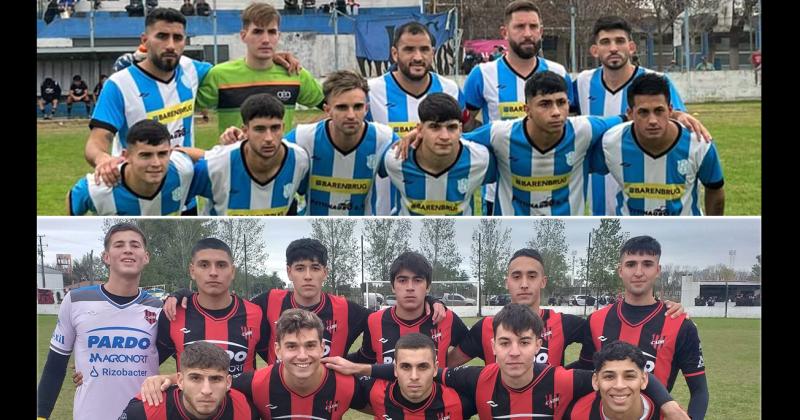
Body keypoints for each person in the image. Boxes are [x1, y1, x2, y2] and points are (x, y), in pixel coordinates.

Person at [325, 304, 689, 420]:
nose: (514, 351)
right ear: (493, 347)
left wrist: (669, 405)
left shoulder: (564, 379)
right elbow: (419, 370)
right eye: (505, 343)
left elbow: (620, 371)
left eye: (524, 342)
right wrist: (362, 368)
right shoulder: (475, 379)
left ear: (538, 346)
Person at [161, 238, 448, 363]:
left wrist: (432, 299)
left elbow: (396, 315)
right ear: (289, 272)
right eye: (300, 269)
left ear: (325, 272)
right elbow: (223, 302)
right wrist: (183, 294)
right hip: (273, 399)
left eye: (314, 268)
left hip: (328, 399)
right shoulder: (266, 302)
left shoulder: (348, 310)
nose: (307, 276)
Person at [574, 16, 710, 216]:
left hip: (646, 186)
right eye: (605, 42)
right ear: (595, 51)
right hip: (600, 191)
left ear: (631, 47)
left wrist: (680, 115)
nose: (613, 48)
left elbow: (674, 120)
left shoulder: (656, 81)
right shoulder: (582, 83)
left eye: (619, 41)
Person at [142, 309, 371, 419]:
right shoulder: (255, 383)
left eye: (310, 346)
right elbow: (212, 380)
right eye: (291, 346)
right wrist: (169, 379)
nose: (302, 355)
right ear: (277, 349)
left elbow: (393, 404)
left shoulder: (346, 384)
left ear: (323, 347)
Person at [572, 236, 708, 419]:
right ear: (620, 270)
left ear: (658, 270)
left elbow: (699, 391)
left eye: (647, 264)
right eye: (630, 264)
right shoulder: (597, 319)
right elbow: (585, 374)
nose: (638, 272)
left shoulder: (680, 324)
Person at [37, 223, 163, 420]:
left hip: (144, 415)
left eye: (135, 245)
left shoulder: (159, 308)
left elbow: (180, 358)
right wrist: (41, 415)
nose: (128, 249)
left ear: (146, 257)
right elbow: (55, 365)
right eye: (119, 244)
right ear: (106, 257)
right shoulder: (76, 300)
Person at [463, 1, 575, 214]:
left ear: (541, 31)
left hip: (552, 186)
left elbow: (570, 125)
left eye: (533, 27)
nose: (528, 33)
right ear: (505, 32)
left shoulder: (558, 72)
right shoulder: (482, 74)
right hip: (499, 189)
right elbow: (465, 123)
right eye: (520, 27)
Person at [86, 8, 212, 195]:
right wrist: (102, 159)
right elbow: (96, 141)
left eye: (177, 38)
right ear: (145, 41)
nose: (170, 45)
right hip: (136, 193)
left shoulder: (191, 69)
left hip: (183, 189)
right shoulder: (119, 84)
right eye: (162, 36)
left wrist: (272, 59)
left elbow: (235, 72)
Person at [592, 73, 725, 216]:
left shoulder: (699, 144)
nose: (653, 120)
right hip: (631, 233)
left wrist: (713, 229)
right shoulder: (610, 143)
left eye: (659, 111)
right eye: (643, 112)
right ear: (630, 114)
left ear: (670, 110)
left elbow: (715, 190)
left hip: (685, 233)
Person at [196, 2, 324, 136]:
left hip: (282, 156)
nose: (266, 40)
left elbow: (334, 108)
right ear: (243, 35)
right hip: (234, 156)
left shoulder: (295, 73)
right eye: (258, 32)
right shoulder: (219, 75)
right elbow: (180, 108)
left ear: (278, 36)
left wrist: (301, 135)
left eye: (272, 32)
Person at [284, 70, 399, 215]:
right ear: (327, 110)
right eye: (342, 107)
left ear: (366, 109)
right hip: (312, 231)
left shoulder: (384, 138)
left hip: (363, 233)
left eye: (357, 107)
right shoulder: (302, 137)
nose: (351, 115)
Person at [155, 238, 269, 376]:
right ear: (192, 271)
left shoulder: (256, 314)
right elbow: (148, 363)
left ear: (232, 271)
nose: (213, 272)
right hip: (190, 398)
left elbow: (277, 362)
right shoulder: (173, 313)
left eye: (221, 265)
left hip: (243, 398)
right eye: (204, 265)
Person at [187, 93, 310, 215]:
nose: (268, 138)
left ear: (283, 128)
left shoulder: (300, 160)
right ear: (245, 131)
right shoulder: (216, 165)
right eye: (259, 129)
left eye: (275, 128)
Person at [379, 93, 495, 215]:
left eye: (452, 127)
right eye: (435, 127)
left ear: (460, 129)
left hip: (461, 234)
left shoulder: (480, 159)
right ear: (419, 129)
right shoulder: (396, 159)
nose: (444, 136)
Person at [350, 251, 470, 367]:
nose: (410, 287)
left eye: (417, 280)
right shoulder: (374, 321)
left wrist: (444, 368)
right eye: (402, 280)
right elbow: (365, 360)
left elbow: (472, 345)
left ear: (428, 287)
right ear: (392, 286)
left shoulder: (445, 317)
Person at [68, 119, 195, 215]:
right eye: (145, 155)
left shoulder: (183, 169)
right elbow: (73, 199)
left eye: (162, 154)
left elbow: (206, 159)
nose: (156, 163)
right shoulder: (98, 187)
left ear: (170, 153)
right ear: (126, 156)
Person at [366, 21, 464, 138]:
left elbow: (464, 136)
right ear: (395, 54)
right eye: (409, 49)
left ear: (432, 53)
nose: (418, 57)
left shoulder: (451, 90)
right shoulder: (371, 92)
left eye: (424, 50)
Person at [119, 341, 257, 419]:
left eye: (215, 379)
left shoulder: (244, 409)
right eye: (196, 378)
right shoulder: (144, 411)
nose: (206, 390)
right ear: (179, 380)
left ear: (228, 382)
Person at [356, 333, 477, 419]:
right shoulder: (373, 391)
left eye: (423, 366)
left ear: (435, 369)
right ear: (395, 369)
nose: (414, 376)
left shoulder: (461, 400)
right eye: (406, 367)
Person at [564, 341, 660, 420]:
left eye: (629, 376)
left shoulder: (667, 415)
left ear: (644, 380)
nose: (619, 386)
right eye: (609, 376)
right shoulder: (575, 414)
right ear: (595, 381)